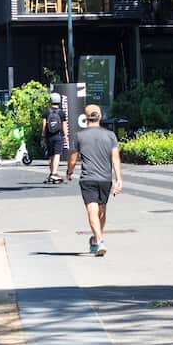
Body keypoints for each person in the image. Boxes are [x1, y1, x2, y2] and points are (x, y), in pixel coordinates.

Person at [66, 104, 122, 256]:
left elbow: (73, 157)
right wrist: (119, 180)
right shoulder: (110, 135)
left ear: (85, 118)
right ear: (100, 117)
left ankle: (98, 240)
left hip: (88, 178)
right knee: (101, 210)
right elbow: (115, 158)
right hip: (105, 178)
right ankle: (98, 240)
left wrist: (69, 172)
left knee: (93, 210)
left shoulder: (79, 136)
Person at [42, 91, 68, 183]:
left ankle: (51, 173)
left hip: (49, 136)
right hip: (58, 136)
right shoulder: (61, 113)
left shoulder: (46, 112)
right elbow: (64, 125)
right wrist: (65, 136)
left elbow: (44, 125)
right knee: (57, 154)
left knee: (50, 155)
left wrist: (44, 136)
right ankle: (54, 173)